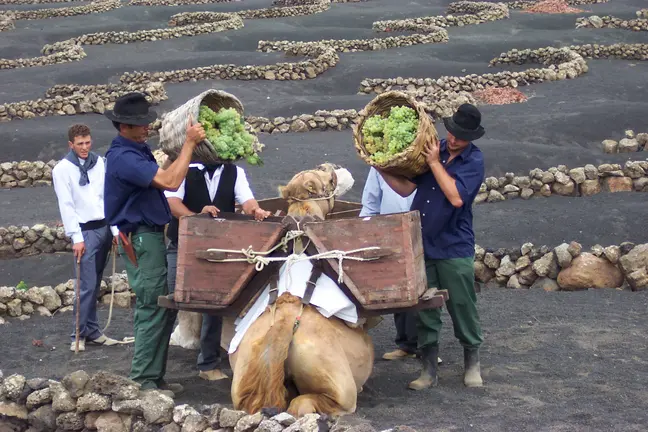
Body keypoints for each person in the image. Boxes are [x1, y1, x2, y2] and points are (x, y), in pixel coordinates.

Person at [376, 103, 486, 390]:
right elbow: (407, 188)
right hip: (422, 243)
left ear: (472, 138)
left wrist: (436, 163)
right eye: (451, 132)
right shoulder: (434, 149)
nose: (453, 138)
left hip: (454, 246)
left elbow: (456, 198)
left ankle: (472, 364)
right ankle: (428, 370)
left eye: (461, 136)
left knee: (462, 305)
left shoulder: (474, 162)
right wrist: (379, 166)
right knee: (425, 308)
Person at [103, 92, 206, 396]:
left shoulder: (135, 151)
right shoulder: (124, 158)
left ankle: (153, 377)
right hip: (142, 238)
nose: (147, 127)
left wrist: (180, 149)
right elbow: (171, 182)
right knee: (152, 305)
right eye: (141, 124)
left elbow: (168, 174)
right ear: (124, 126)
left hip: (148, 236)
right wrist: (187, 144)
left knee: (163, 306)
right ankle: (142, 381)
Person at [164, 160, 271, 381]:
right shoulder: (184, 169)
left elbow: (247, 200)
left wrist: (256, 210)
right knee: (170, 301)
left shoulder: (234, 172)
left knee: (214, 304)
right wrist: (197, 217)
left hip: (217, 246)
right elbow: (172, 202)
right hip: (182, 245)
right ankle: (156, 366)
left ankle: (208, 364)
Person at [52, 124, 120, 352]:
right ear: (71, 144)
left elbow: (106, 196)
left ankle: (92, 330)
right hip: (84, 231)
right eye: (80, 144)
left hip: (103, 226)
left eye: (87, 142)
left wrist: (114, 230)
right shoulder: (62, 169)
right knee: (86, 285)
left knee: (96, 282)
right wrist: (76, 237)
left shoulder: (99, 163)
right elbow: (66, 205)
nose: (84, 147)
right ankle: (78, 334)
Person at [360, 167, 419, 360]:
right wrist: (364, 232)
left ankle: (427, 346)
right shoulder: (379, 167)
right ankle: (406, 344)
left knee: (424, 289)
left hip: (421, 230)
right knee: (398, 288)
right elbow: (370, 203)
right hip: (390, 230)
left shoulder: (421, 163)